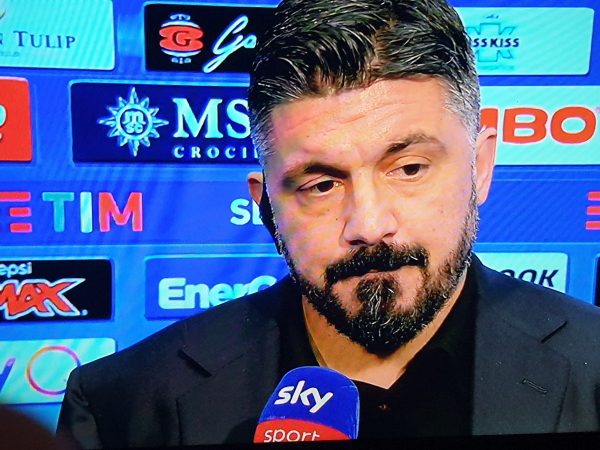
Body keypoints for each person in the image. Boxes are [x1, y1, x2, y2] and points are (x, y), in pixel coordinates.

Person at [57, 0, 600, 447]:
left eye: (409, 168)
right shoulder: (122, 404)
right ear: (266, 207)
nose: (369, 224)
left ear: (480, 168)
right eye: (321, 184)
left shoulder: (591, 365)